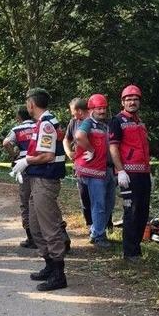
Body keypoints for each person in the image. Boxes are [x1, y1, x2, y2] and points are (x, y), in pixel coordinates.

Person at [10, 88, 68, 291]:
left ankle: (59, 273)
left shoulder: (46, 124)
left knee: (49, 227)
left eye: (27, 102)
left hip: (46, 179)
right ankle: (49, 265)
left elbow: (47, 156)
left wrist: (26, 161)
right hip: (37, 179)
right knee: (35, 227)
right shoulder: (42, 123)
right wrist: (25, 162)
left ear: (31, 104)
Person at [109, 84, 151, 261]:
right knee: (131, 212)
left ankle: (137, 248)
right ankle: (129, 252)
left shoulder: (140, 122)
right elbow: (113, 148)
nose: (132, 102)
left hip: (143, 174)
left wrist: (149, 172)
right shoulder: (117, 121)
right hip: (129, 175)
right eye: (129, 99)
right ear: (123, 102)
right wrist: (120, 171)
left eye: (135, 99)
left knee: (142, 212)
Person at [74, 94, 115, 248]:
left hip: (106, 169)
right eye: (99, 108)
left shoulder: (105, 125)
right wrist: (91, 149)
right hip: (93, 171)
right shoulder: (88, 123)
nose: (102, 111)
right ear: (91, 109)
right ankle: (98, 236)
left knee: (109, 203)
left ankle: (96, 230)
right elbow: (79, 136)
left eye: (104, 108)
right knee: (99, 203)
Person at [2, 105, 37, 248]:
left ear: (19, 117)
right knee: (40, 200)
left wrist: (14, 155)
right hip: (41, 165)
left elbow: (6, 143)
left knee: (26, 201)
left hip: (24, 167)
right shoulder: (39, 126)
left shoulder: (17, 130)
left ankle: (31, 237)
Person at [63, 98, 93, 233]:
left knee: (100, 198)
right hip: (80, 167)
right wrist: (69, 151)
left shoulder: (95, 121)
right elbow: (66, 139)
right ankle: (89, 224)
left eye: (73, 112)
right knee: (85, 197)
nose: (72, 115)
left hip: (97, 166)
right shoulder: (73, 122)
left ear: (80, 111)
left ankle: (105, 225)